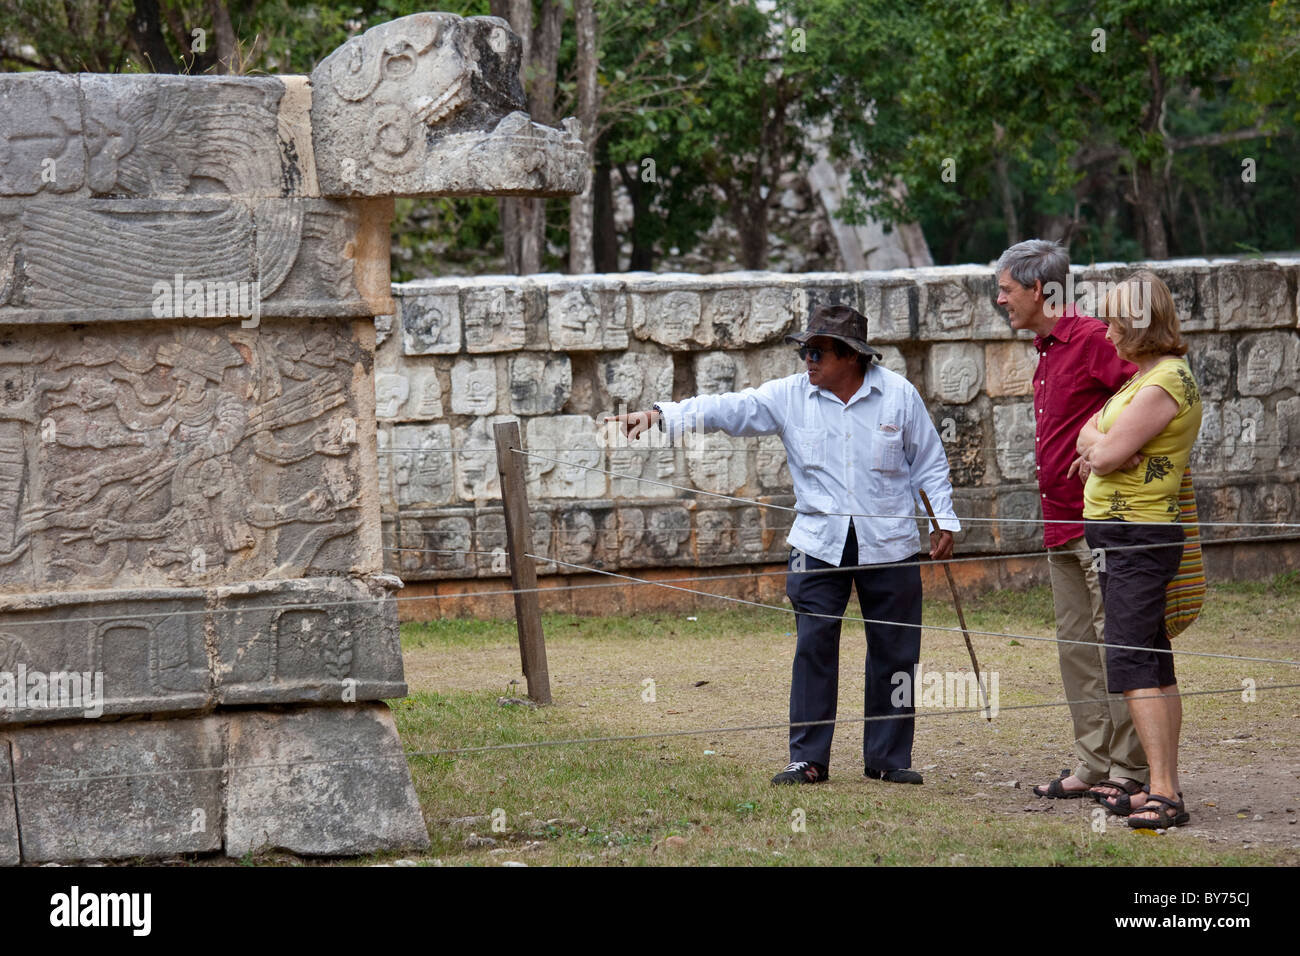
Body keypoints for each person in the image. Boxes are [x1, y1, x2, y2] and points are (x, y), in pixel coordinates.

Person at [606, 304, 959, 786]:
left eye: (818, 351)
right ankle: (808, 758)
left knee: (896, 651)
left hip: (890, 542)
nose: (807, 360)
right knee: (814, 646)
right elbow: (728, 409)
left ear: (852, 356)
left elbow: (930, 464)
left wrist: (944, 522)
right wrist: (659, 416)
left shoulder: (899, 396)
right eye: (804, 350)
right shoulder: (790, 396)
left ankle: (888, 758)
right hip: (818, 542)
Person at [994, 240, 1148, 811]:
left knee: (1115, 642)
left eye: (1007, 288)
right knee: (1076, 646)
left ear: (1039, 290)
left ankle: (1130, 768)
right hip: (1060, 523)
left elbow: (1149, 394)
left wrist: (1115, 453)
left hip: (1100, 522)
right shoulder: (1050, 347)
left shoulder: (1089, 340)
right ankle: (1093, 760)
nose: (1000, 298)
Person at [1072, 270, 1202, 829]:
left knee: (1131, 661)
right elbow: (1087, 436)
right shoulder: (1144, 379)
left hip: (1137, 539)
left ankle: (1166, 792)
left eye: (1116, 322)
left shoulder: (1163, 383)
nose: (1107, 333)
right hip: (1125, 537)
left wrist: (1105, 450)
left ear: (1140, 324)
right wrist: (1106, 447)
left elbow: (1098, 453)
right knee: (1151, 659)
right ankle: (1161, 783)